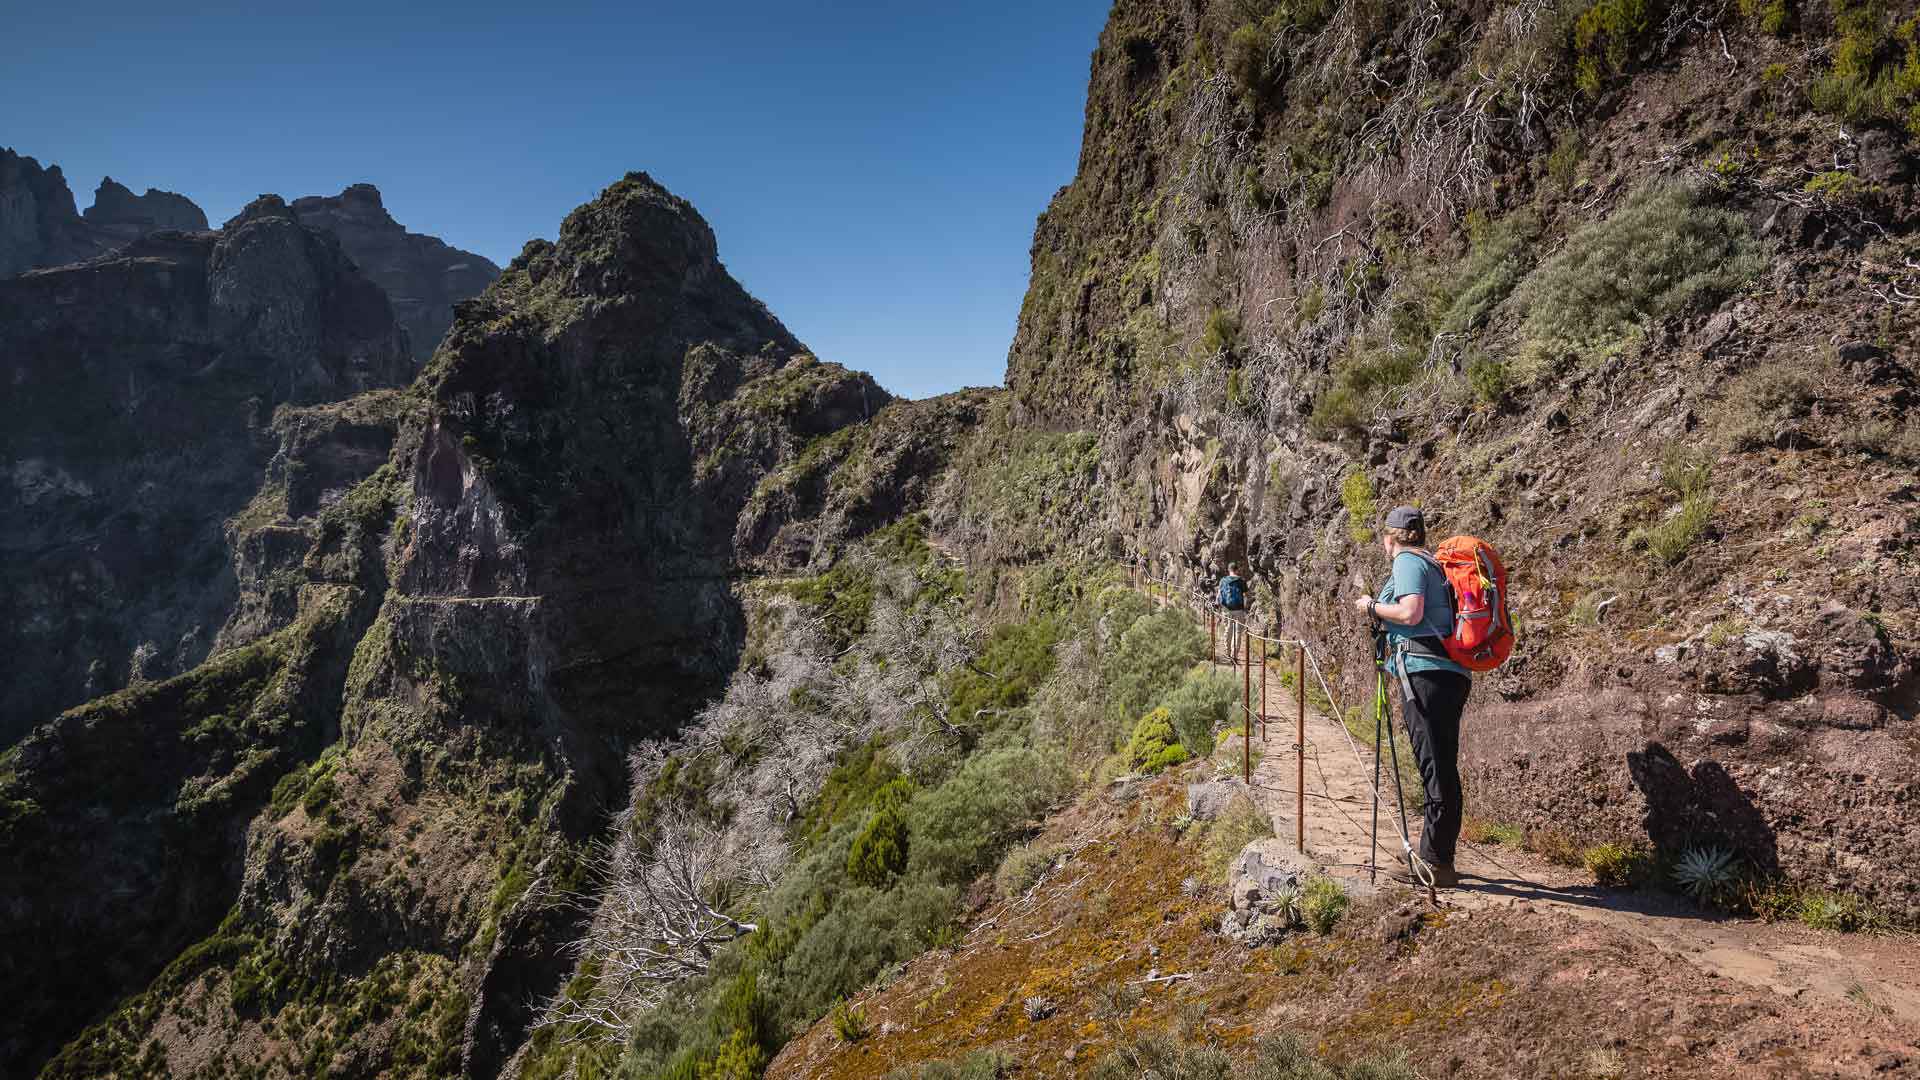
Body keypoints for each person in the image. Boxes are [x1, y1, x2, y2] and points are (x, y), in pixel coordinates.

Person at [1350, 506, 1470, 888]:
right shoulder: (1431, 564)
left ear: (1391, 537)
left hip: (1425, 673)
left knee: (1436, 767)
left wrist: (1370, 605)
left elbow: (1410, 612)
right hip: (1446, 672)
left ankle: (1436, 863)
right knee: (1441, 764)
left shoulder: (1407, 561)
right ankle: (1434, 853)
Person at [1217, 563, 1248, 661]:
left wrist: (1219, 608)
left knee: (1228, 629)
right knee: (1238, 632)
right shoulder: (1241, 581)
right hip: (1239, 609)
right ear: (1237, 570)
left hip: (1226, 609)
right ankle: (1235, 655)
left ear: (1228, 570)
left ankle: (1227, 653)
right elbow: (1246, 595)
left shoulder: (1223, 580)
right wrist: (1245, 608)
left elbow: (1219, 596)